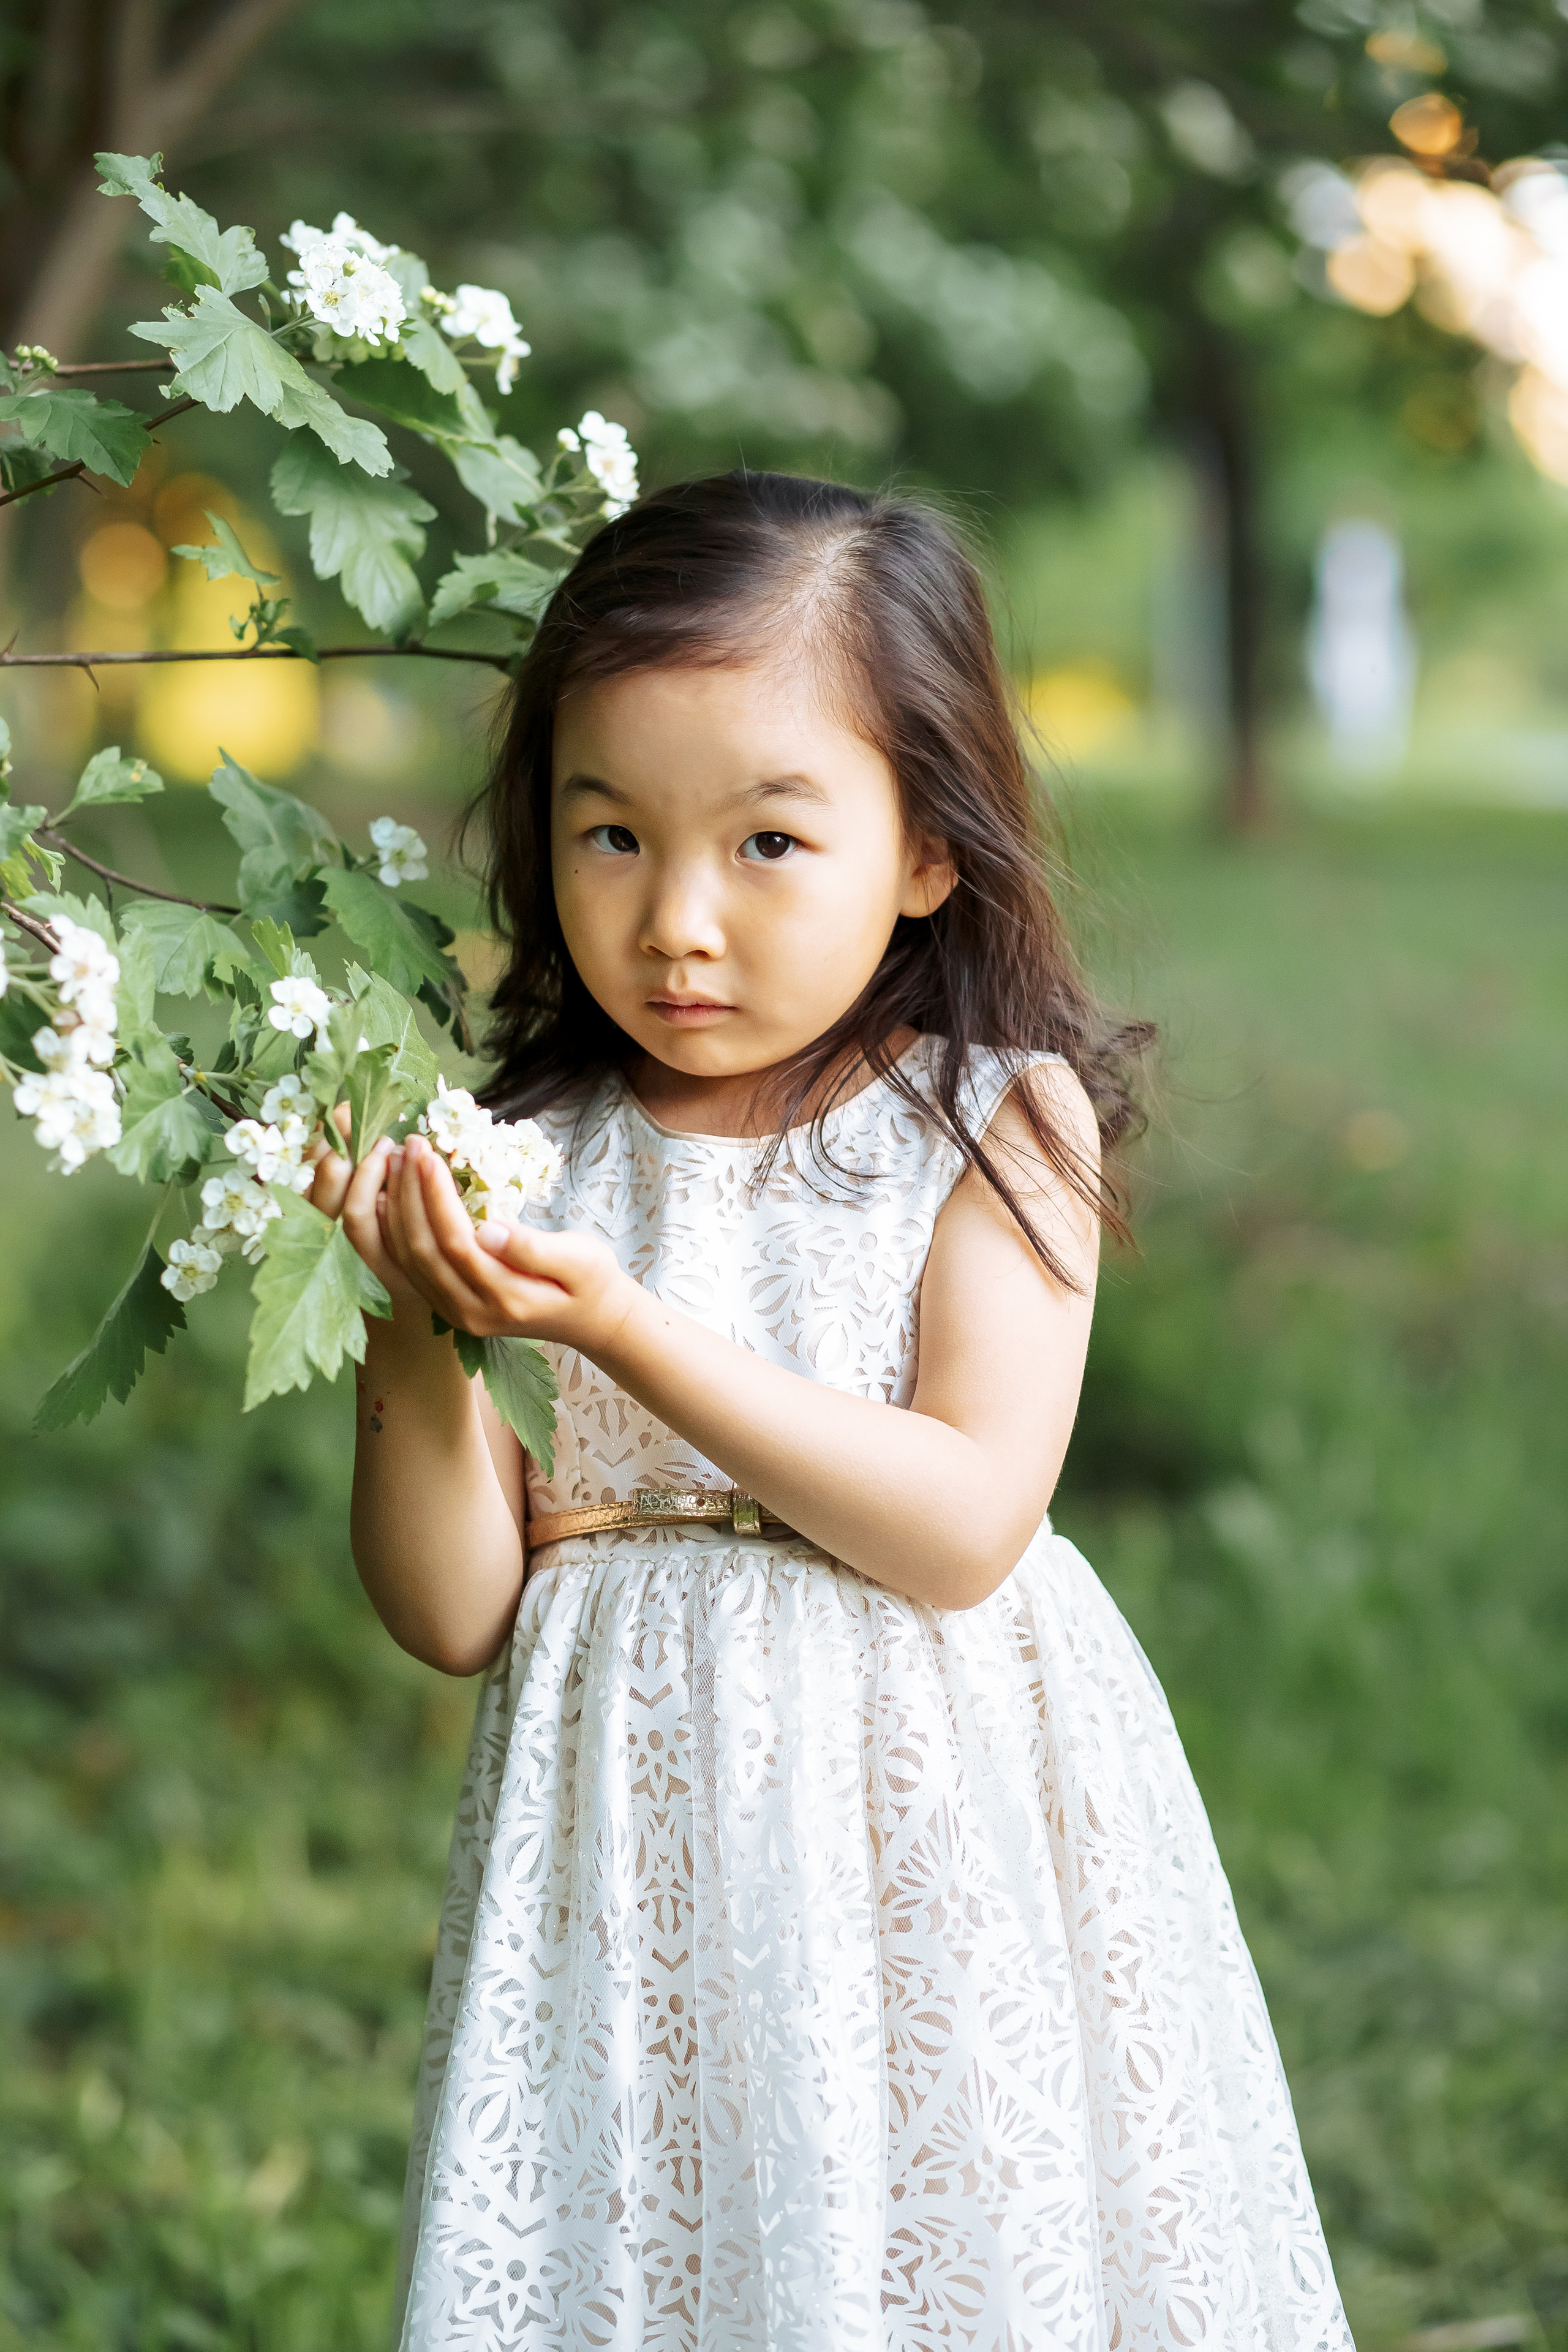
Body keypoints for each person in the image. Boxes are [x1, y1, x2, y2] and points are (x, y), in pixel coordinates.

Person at [311, 472, 1351, 2352]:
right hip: (633, 1831)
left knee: (922, 2218)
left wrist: (631, 1333)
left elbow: (963, 1523)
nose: (677, 920)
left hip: (923, 1820)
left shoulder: (986, 1123)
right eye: (608, 833)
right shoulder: (532, 1154)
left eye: (768, 844)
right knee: (665, 2231)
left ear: (927, 849)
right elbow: (457, 1609)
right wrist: (409, 1318)